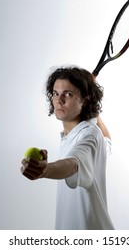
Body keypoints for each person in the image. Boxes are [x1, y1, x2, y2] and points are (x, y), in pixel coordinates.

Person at [21, 66, 114, 230]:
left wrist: (46, 170)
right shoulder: (83, 134)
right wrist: (94, 111)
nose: (59, 100)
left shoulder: (89, 135)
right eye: (56, 94)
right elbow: (108, 141)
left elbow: (73, 164)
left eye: (68, 94)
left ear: (84, 100)